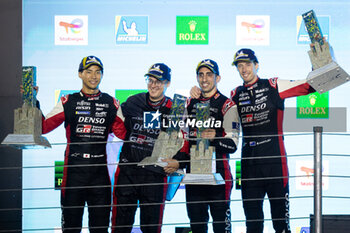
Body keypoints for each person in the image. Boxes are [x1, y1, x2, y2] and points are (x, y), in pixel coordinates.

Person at [191, 50, 315, 233]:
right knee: (253, 224)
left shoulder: (274, 85)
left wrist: (319, 64)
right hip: (248, 167)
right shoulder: (235, 94)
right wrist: (197, 94)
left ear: (256, 65)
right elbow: (214, 112)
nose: (244, 69)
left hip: (275, 164)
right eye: (239, 65)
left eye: (247, 64)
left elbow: (308, 87)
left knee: (281, 225)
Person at [39, 55, 126, 233]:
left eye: (98, 72)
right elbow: (43, 127)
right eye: (89, 72)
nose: (94, 76)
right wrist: (33, 100)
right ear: (80, 74)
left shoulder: (111, 103)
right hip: (74, 172)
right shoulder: (68, 101)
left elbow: (123, 133)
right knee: (71, 227)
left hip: (99, 173)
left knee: (100, 228)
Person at [111, 63, 183, 233]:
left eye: (158, 81)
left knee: (151, 228)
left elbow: (184, 140)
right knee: (120, 226)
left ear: (167, 83)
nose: (153, 85)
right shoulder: (133, 101)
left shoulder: (175, 108)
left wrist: (179, 162)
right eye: (150, 80)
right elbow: (119, 128)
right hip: (128, 172)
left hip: (154, 176)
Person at [183, 59, 240, 233]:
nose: (204, 79)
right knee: (197, 227)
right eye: (201, 75)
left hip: (219, 178)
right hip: (194, 177)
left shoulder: (227, 105)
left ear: (218, 78)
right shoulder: (189, 103)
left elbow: (233, 145)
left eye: (209, 74)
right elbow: (179, 137)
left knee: (221, 228)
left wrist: (215, 138)